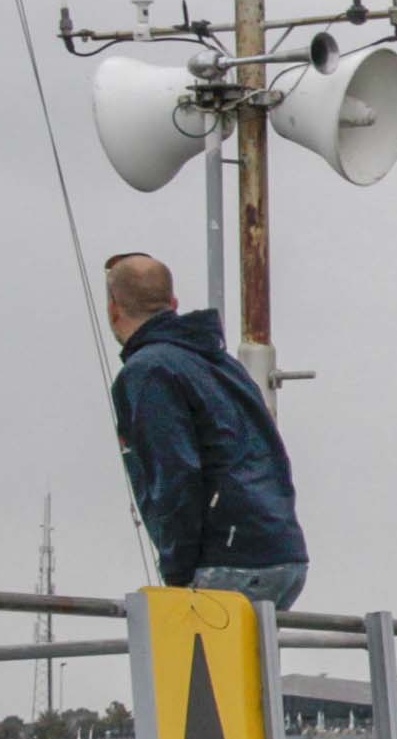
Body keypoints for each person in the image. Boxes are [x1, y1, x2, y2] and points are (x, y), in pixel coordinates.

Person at [103, 252, 309, 605]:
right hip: (281, 551)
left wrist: (179, 573)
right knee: (251, 661)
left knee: (192, 660)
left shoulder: (148, 371)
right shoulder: (220, 364)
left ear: (113, 309)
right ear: (173, 303)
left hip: (227, 558)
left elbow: (174, 474)